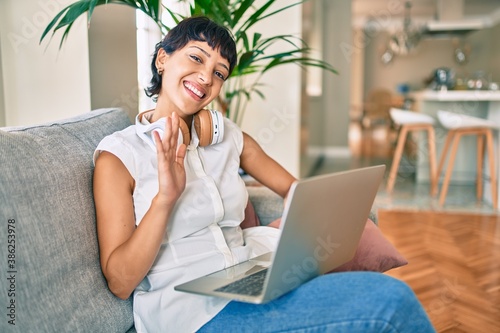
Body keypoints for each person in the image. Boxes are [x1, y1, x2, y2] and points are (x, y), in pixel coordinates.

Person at [93, 16, 436, 333]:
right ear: (162, 59)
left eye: (219, 72)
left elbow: (294, 190)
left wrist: (319, 217)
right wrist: (165, 198)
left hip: (249, 278)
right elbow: (121, 282)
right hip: (193, 313)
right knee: (390, 302)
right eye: (196, 58)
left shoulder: (223, 136)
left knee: (379, 298)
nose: (206, 77)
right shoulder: (120, 156)